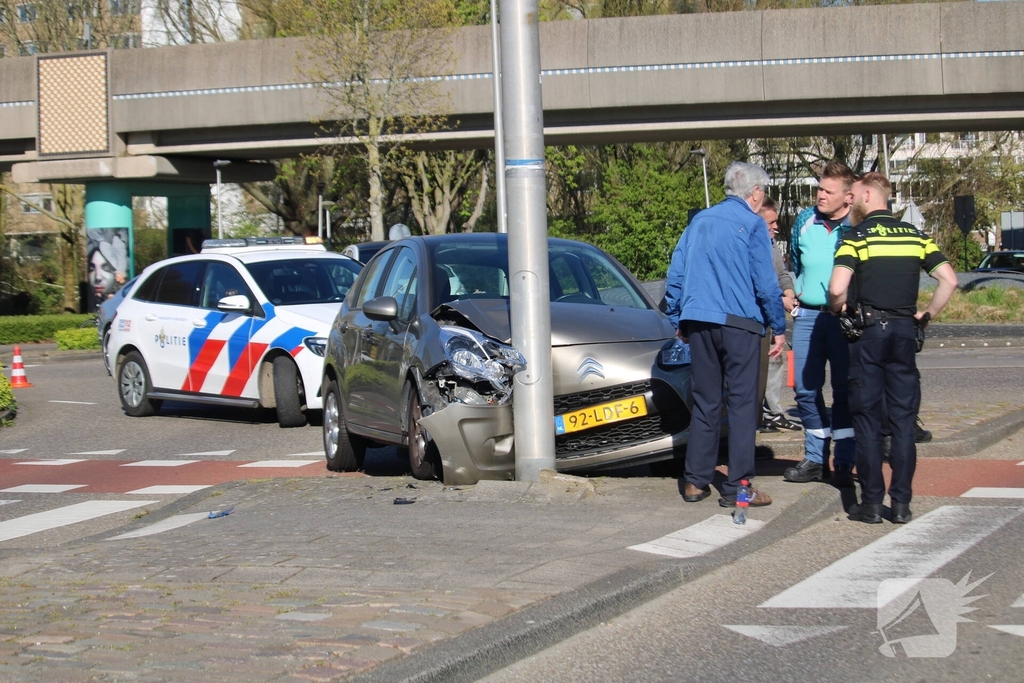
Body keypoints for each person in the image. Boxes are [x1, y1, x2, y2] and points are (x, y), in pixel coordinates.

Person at [828, 172, 957, 524]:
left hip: (868, 332)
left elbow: (838, 287)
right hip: (904, 330)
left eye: (853, 195)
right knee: (902, 421)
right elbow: (950, 278)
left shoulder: (857, 236)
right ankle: (901, 504)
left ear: (868, 194)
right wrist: (926, 314)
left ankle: (871, 503)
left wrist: (837, 308)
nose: (851, 201)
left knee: (867, 420)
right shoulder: (916, 236)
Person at [665, 161, 787, 508]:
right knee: (743, 404)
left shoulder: (698, 222)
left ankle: (695, 481)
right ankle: (739, 486)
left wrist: (679, 319)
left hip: (700, 322)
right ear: (755, 193)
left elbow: (676, 274)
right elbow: (766, 285)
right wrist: (777, 326)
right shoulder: (752, 225)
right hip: (740, 324)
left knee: (705, 401)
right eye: (763, 191)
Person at [786, 161, 858, 486]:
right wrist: (796, 292)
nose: (821, 195)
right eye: (819, 189)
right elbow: (796, 262)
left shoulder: (858, 227)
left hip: (844, 319)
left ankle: (844, 459)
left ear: (848, 197)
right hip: (808, 317)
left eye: (829, 191)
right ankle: (815, 457)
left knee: (844, 391)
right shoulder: (803, 220)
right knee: (804, 389)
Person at [757, 197, 801, 433]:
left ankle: (772, 411)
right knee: (761, 366)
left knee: (776, 360)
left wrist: (789, 292)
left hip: (775, 312)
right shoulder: (752, 246)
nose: (776, 227)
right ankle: (762, 414)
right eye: (770, 222)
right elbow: (758, 285)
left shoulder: (773, 245)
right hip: (759, 316)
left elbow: (782, 274)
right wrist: (779, 299)